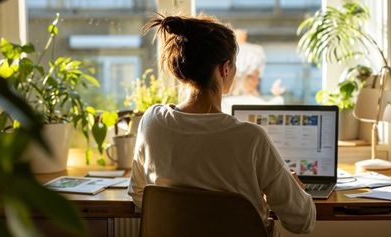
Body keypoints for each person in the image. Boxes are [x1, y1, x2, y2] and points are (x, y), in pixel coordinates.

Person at [128, 13, 315, 236]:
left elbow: (140, 196)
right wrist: (290, 189)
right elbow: (302, 222)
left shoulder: (151, 122)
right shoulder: (251, 139)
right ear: (225, 69)